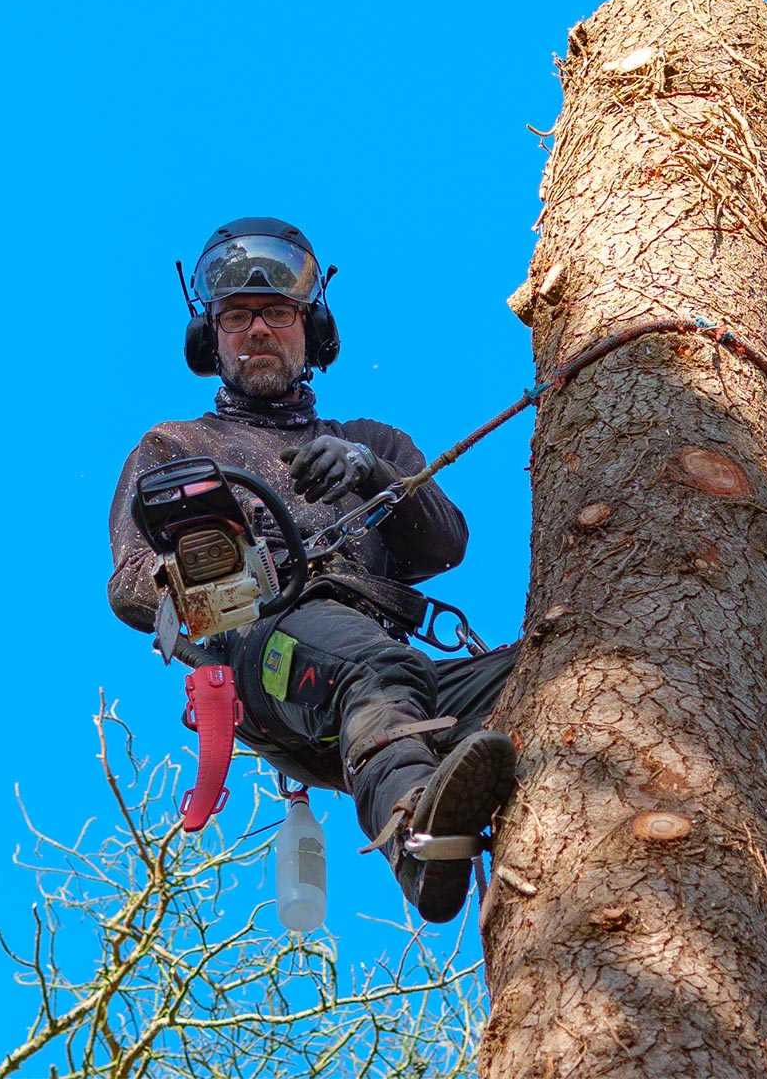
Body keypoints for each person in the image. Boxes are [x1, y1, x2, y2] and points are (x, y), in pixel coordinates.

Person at [108, 216, 517, 922]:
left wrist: (369, 474)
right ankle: (417, 835)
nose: (258, 330)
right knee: (373, 668)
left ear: (311, 328)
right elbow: (130, 582)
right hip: (266, 651)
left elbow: (445, 545)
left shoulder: (372, 441)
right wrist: (231, 580)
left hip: (386, 680)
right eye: (237, 317)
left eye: (276, 313)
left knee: (535, 673)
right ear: (212, 339)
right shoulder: (178, 446)